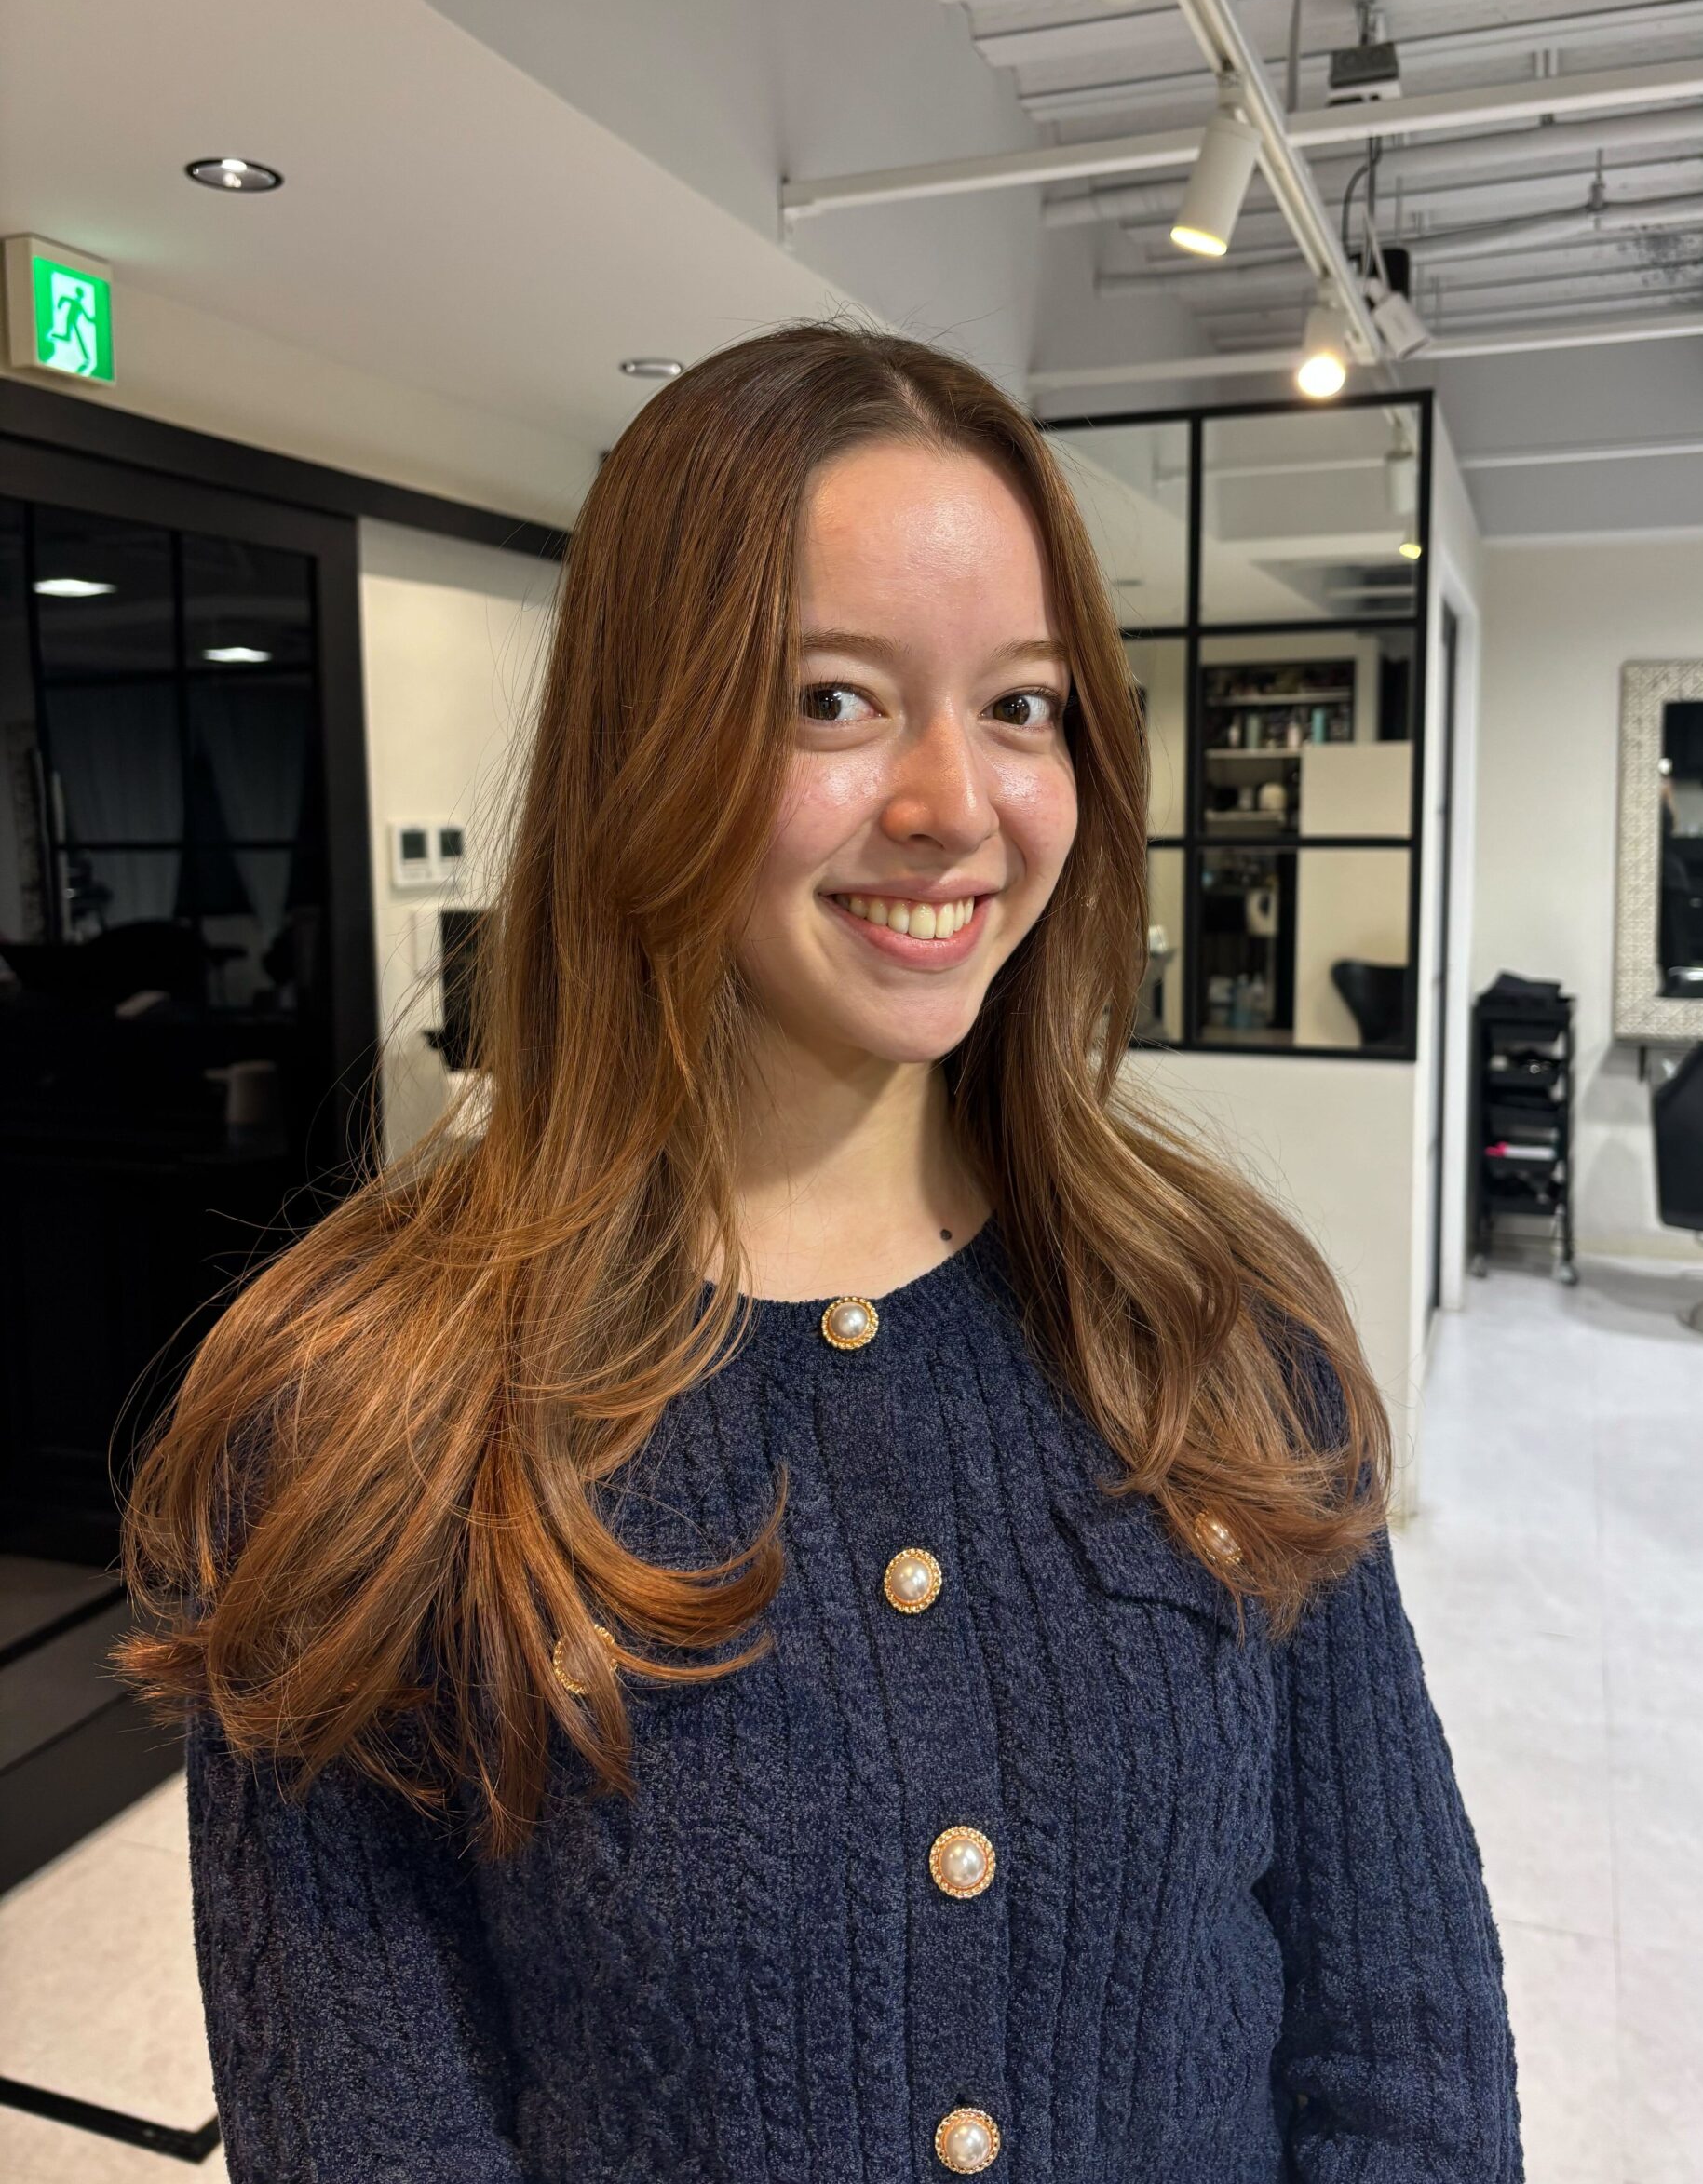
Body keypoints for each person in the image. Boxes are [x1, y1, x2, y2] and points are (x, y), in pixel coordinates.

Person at [116, 320, 1522, 2181]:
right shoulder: (366, 1408)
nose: (957, 802)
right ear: (650, 740)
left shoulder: (1213, 1316)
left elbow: (1406, 2037)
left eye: (1024, 705)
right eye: (837, 699)